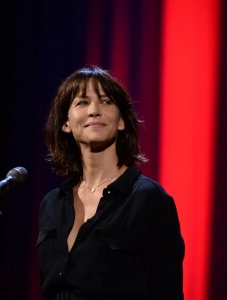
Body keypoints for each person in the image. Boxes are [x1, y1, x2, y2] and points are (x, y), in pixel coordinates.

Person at [37, 66, 185, 299]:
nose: (94, 110)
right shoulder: (52, 203)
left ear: (121, 122)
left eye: (106, 102)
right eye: (82, 103)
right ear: (66, 123)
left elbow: (167, 291)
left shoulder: (148, 199)